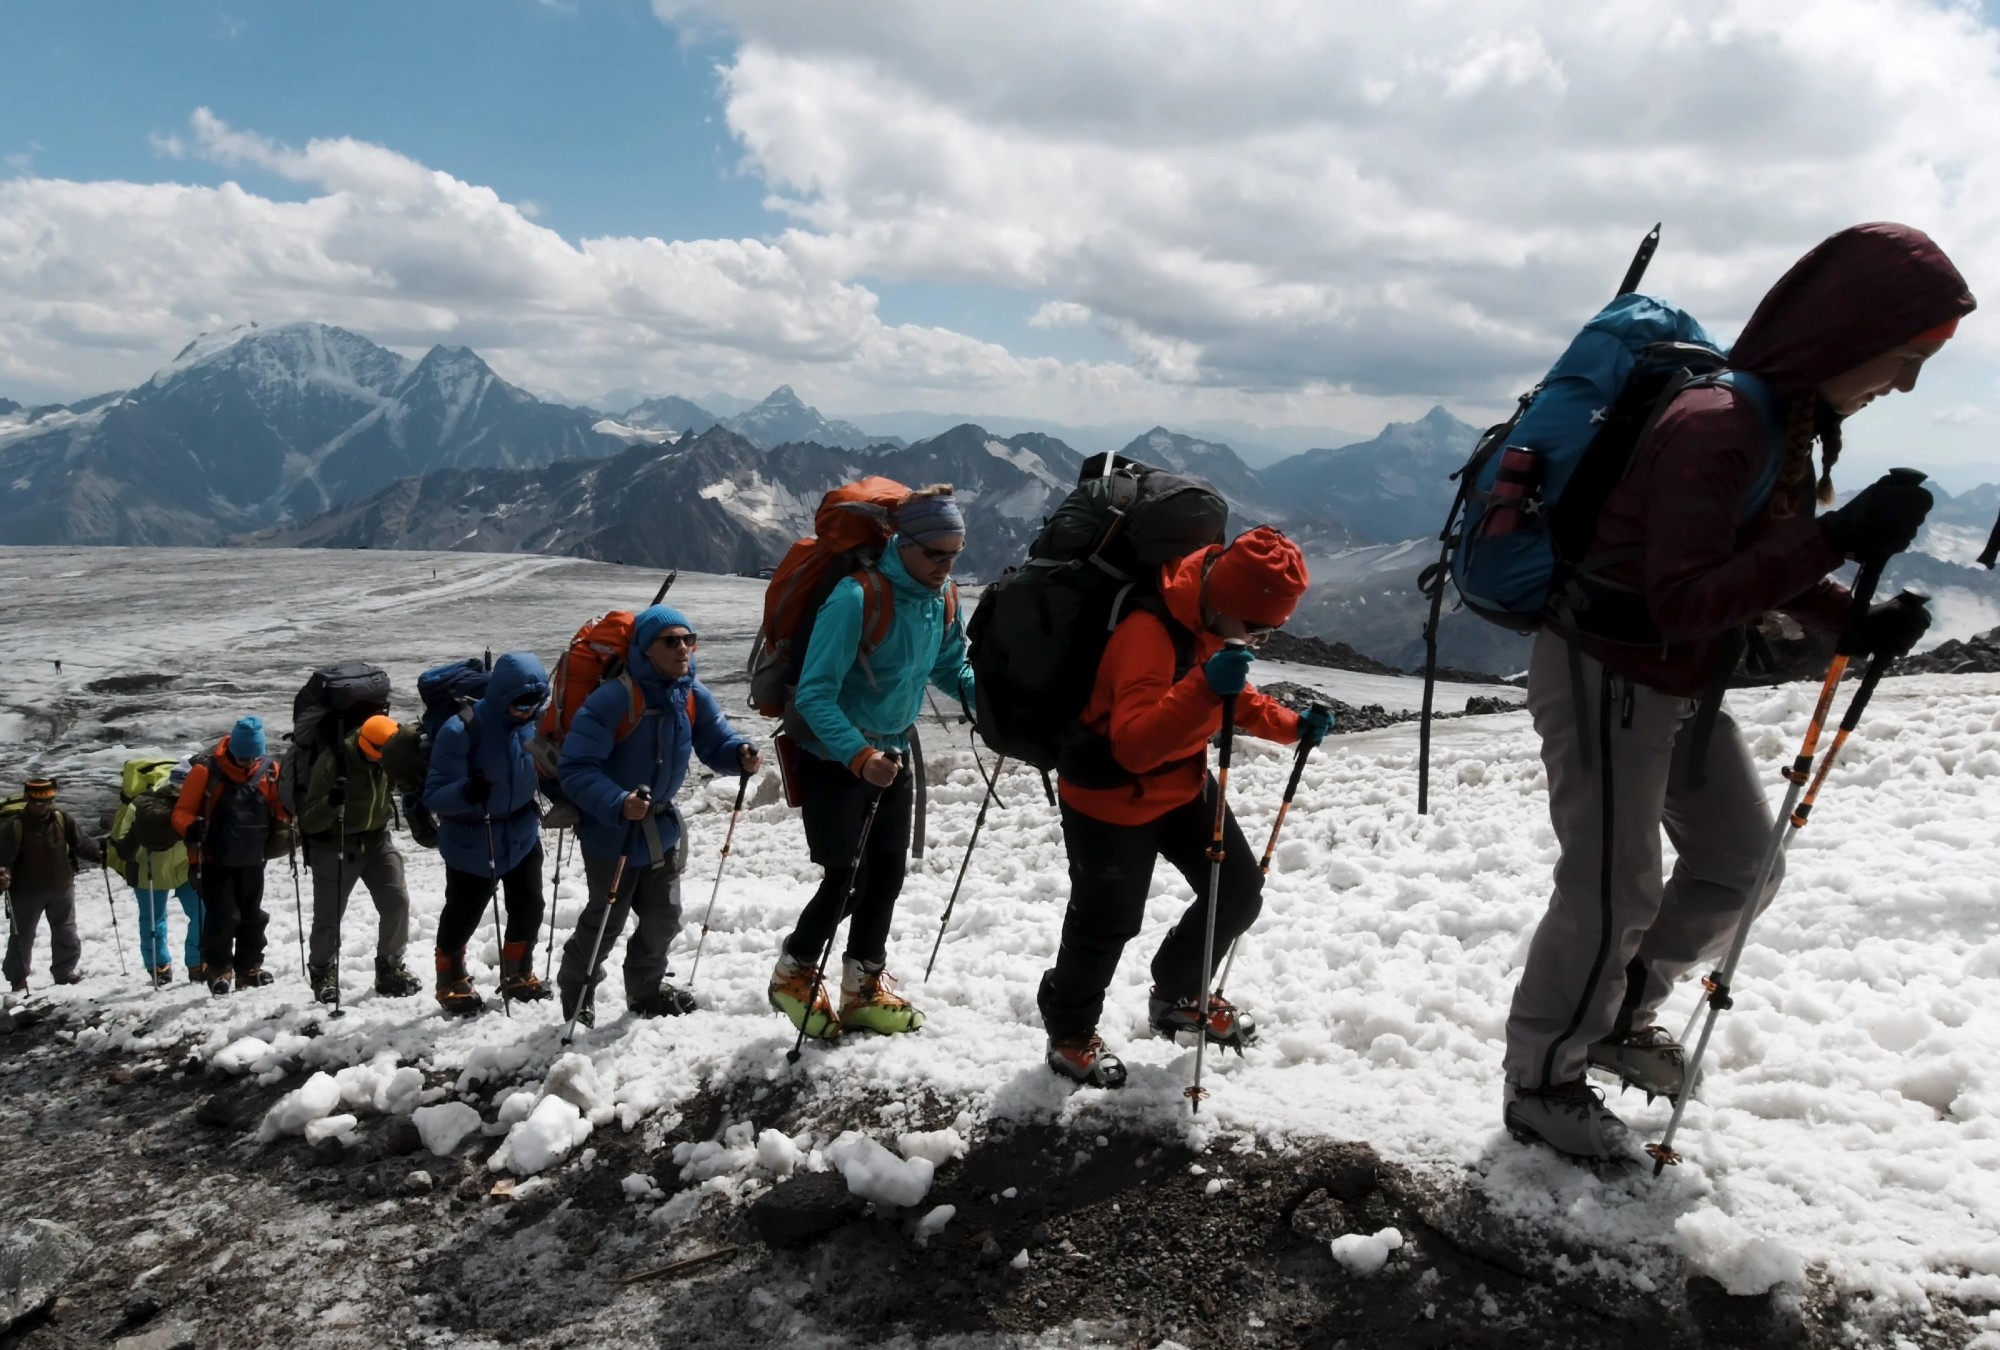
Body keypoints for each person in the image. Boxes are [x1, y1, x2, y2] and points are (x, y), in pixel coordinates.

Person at [1502, 222, 1976, 1161]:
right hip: (1608, 665)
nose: (1906, 384)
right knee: (1613, 884)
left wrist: (1855, 618)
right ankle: (1543, 1078)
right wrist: (1841, 539)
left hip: (1673, 682)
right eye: (1904, 357)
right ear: (1850, 334)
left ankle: (1619, 1012)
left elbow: (1760, 562)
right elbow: (1681, 599)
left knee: (1741, 862)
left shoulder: (1777, 424)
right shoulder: (1717, 425)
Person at [1036, 525, 1326, 1087]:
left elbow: (1229, 693)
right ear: (1227, 601)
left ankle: (1176, 993)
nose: (1260, 641)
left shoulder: (1208, 617)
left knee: (1237, 890)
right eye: (1259, 629)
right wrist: (1202, 688)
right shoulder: (1146, 632)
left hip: (1182, 781)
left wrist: (1292, 726)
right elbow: (1135, 746)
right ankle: (1069, 1032)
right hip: (1111, 796)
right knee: (1108, 923)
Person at [767, 486, 976, 1039]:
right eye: (936, 554)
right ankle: (793, 974)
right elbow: (813, 695)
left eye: (955, 554)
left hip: (892, 750)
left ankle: (862, 987)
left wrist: (990, 705)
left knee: (884, 876)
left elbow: (951, 665)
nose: (946, 566)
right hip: (835, 757)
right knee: (847, 878)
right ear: (903, 544)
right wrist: (858, 756)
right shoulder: (854, 598)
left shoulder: (941, 597)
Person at [556, 606, 759, 1026]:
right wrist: (617, 802)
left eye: (688, 639)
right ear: (646, 650)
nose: (683, 648)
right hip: (612, 830)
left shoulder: (690, 694)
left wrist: (737, 754)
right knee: (606, 919)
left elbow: (716, 741)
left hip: (659, 827)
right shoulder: (613, 699)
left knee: (663, 916)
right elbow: (574, 769)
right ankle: (577, 989)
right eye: (671, 641)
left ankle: (645, 991)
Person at [423, 651, 551, 1017]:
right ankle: (451, 979)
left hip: (522, 830)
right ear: (502, 697)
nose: (527, 710)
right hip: (473, 838)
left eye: (535, 702)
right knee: (464, 912)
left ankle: (519, 974)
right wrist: (465, 791)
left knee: (529, 906)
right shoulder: (460, 730)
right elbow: (434, 793)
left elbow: (544, 765)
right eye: (520, 703)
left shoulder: (531, 724)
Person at [298, 714, 422, 1002]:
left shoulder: (390, 756)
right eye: (381, 755)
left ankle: (389, 969)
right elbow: (308, 821)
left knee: (397, 901)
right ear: (365, 746)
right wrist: (331, 803)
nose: (385, 761)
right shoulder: (332, 764)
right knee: (329, 915)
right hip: (335, 844)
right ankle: (322, 972)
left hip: (377, 839)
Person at [173, 718, 288, 995]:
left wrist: (285, 821)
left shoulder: (269, 771)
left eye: (253, 757)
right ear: (232, 750)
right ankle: (218, 970)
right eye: (243, 757)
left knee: (251, 916)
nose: (248, 763)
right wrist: (190, 826)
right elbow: (181, 812)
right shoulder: (205, 771)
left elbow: (279, 807)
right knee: (224, 916)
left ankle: (249, 969)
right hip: (213, 860)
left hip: (252, 857)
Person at [0, 778, 103, 992]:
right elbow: (3, 859)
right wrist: (4, 875)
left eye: (47, 801)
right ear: (28, 800)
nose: (43, 806)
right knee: (23, 934)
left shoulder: (62, 819)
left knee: (65, 930)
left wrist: (99, 855)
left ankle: (64, 973)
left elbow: (81, 843)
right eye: (38, 802)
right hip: (26, 892)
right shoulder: (14, 827)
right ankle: (18, 979)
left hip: (62, 887)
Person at [108, 757, 202, 987]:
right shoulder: (144, 804)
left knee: (202, 913)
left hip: (182, 867)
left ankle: (197, 962)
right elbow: (125, 841)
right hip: (149, 870)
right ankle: (159, 965)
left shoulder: (197, 801)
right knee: (153, 921)